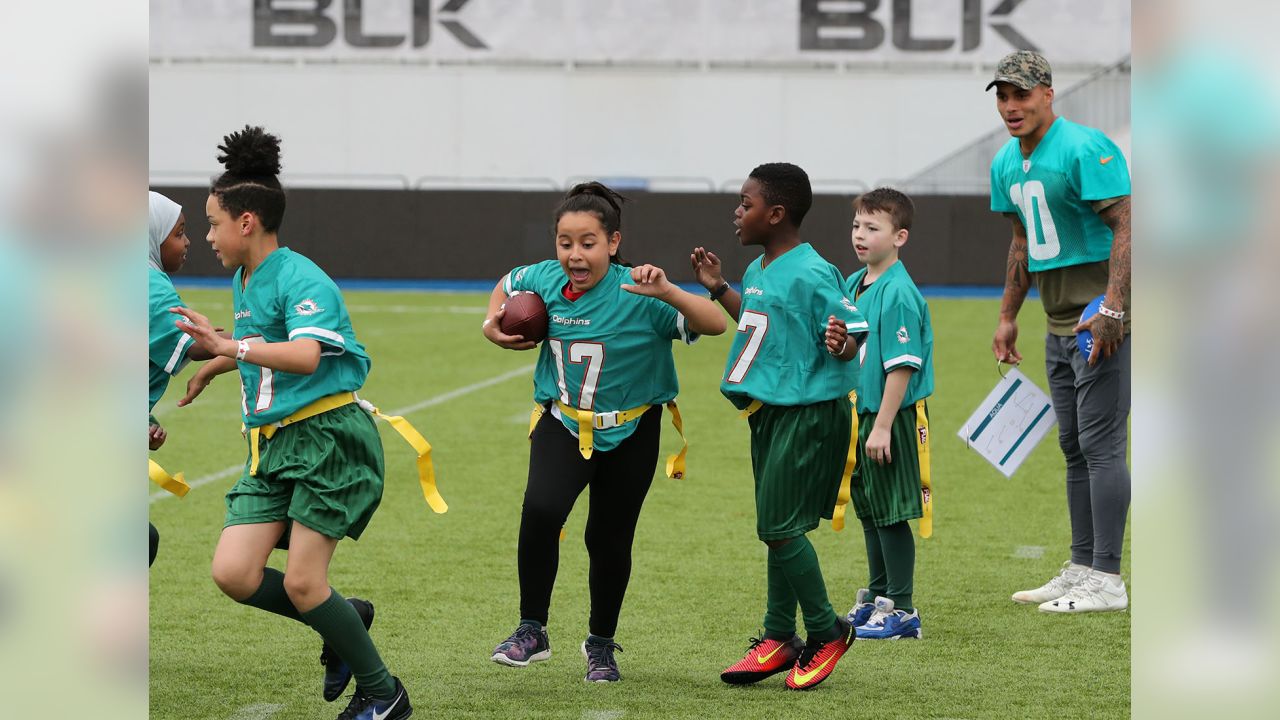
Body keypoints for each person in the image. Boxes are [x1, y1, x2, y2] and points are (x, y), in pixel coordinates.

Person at [171, 126, 410, 720]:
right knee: (233, 572)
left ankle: (384, 693)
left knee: (304, 582)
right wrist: (219, 361)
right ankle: (344, 616)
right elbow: (260, 342)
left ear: (246, 221)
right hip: (274, 446)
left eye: (212, 223)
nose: (207, 236)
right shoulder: (245, 277)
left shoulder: (301, 276)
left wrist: (232, 349)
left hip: (329, 440)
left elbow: (304, 355)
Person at [482, 181, 726, 683]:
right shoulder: (543, 278)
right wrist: (492, 324)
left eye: (587, 243)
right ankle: (532, 628)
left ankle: (600, 643)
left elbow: (717, 324)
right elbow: (509, 282)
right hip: (564, 421)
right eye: (565, 242)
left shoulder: (639, 289)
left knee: (609, 539)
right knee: (541, 510)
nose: (574, 254)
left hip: (633, 428)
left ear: (613, 243)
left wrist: (671, 292)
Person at [694, 162, 866, 690]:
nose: (737, 212)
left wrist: (844, 344)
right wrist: (720, 287)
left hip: (808, 414)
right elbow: (758, 320)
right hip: (768, 414)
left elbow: (853, 327)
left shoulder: (813, 272)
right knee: (778, 526)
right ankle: (777, 635)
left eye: (745, 204)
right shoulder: (760, 269)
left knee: (778, 527)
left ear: (776, 213)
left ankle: (825, 630)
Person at [987, 51, 1132, 613]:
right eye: (1002, 96)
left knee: (1101, 447)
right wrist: (1006, 315)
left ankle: (1109, 580)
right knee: (1073, 447)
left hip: (1100, 318)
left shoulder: (1083, 146)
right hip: (1056, 322)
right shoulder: (1005, 162)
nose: (1011, 106)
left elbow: (1128, 221)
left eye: (1021, 94)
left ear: (1048, 93)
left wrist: (1116, 307)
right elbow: (1022, 242)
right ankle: (1082, 565)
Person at [825, 188, 933, 640]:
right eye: (857, 226)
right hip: (862, 415)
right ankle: (877, 596)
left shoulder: (899, 293)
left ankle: (903, 609)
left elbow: (903, 365)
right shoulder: (853, 283)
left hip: (893, 418)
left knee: (891, 511)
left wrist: (885, 425)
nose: (861, 235)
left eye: (873, 228)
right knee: (869, 508)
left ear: (899, 236)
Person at [148, 190, 206, 565]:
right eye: (179, 232)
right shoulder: (147, 285)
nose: (188, 242)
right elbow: (199, 345)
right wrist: (273, 340)